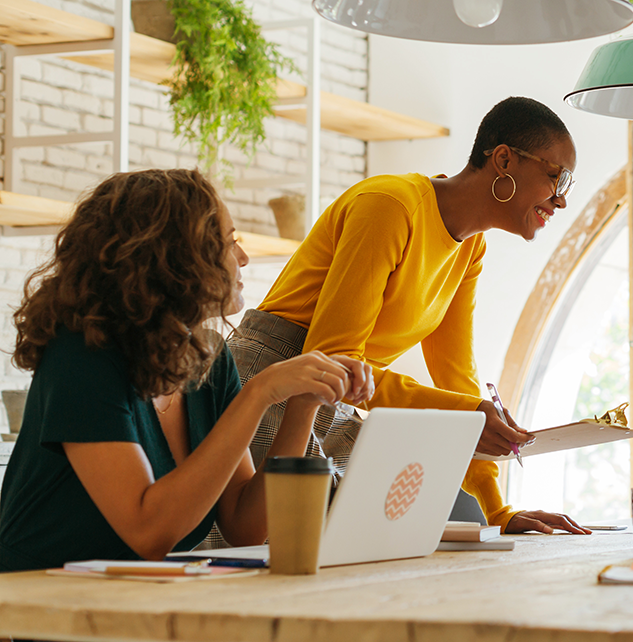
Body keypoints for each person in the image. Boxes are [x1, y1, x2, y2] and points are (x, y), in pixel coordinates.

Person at [225, 96, 586, 536]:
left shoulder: (470, 249)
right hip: (266, 379)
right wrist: (465, 414)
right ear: (505, 159)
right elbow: (332, 358)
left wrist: (497, 510)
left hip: (332, 397)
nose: (562, 200)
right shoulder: (390, 205)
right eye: (557, 178)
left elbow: (456, 379)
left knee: (442, 518)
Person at [0, 169, 373, 572]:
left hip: (135, 599)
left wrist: (302, 406)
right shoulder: (82, 356)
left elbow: (244, 525)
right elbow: (148, 532)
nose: (243, 258)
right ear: (173, 259)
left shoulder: (206, 357)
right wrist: (259, 391)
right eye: (229, 243)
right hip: (37, 603)